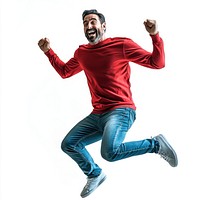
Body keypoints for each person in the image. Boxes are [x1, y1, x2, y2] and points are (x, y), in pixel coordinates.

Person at [38, 9, 178, 198]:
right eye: (86, 23)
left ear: (103, 26)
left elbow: (157, 63)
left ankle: (155, 145)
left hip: (121, 111)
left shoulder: (121, 45)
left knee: (110, 152)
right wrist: (48, 52)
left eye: (93, 22)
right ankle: (94, 174)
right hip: (97, 115)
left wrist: (154, 35)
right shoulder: (82, 53)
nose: (89, 26)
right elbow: (65, 72)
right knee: (69, 144)